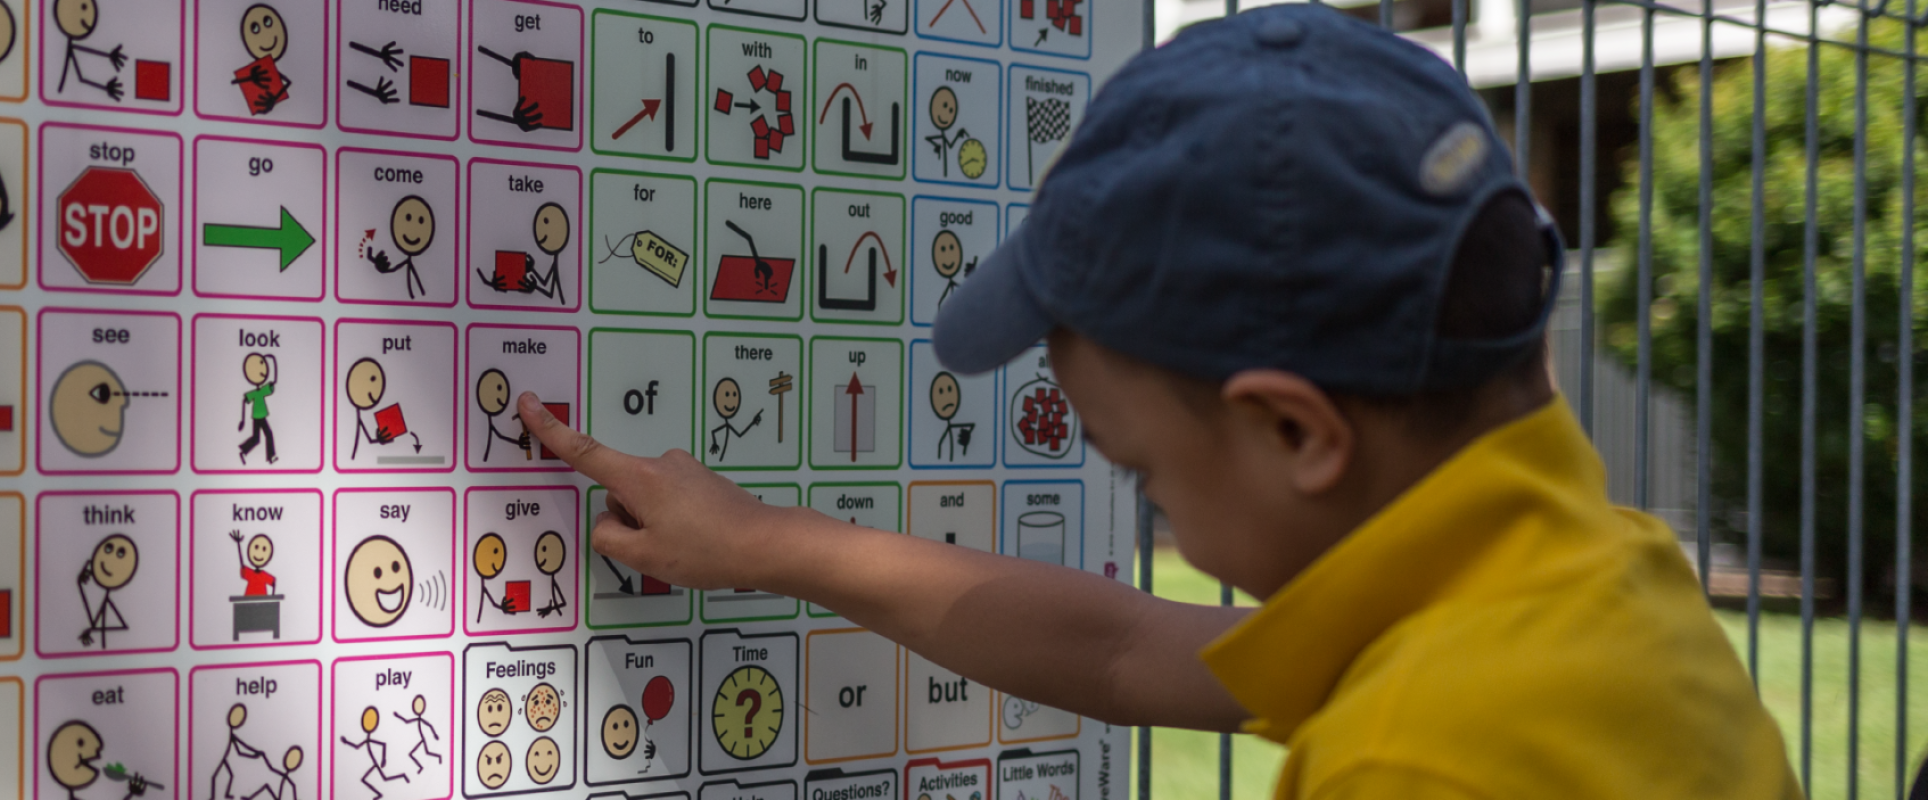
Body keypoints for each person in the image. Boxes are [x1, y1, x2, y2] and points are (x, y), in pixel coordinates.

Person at [509, 6, 1802, 797]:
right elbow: (1123, 650)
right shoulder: (1597, 592)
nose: (1155, 516)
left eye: (1142, 475)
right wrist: (756, 546)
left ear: (1295, 431)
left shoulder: (1416, 757)